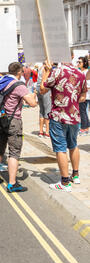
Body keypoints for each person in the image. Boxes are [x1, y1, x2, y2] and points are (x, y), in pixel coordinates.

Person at [0, 62, 38, 193]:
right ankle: (12, 183)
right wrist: (33, 96)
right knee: (14, 152)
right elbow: (32, 104)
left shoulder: (1, 81)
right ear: (19, 72)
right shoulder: (19, 85)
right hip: (13, 120)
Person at [40, 60, 87, 192]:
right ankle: (75, 175)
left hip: (59, 116)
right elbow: (83, 96)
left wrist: (46, 71)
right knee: (73, 145)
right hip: (74, 115)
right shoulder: (80, 73)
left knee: (60, 148)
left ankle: (65, 182)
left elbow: (42, 89)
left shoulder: (56, 71)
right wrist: (72, 99)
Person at [37, 62, 52, 138]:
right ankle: (47, 132)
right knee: (47, 111)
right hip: (45, 90)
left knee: (41, 111)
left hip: (38, 90)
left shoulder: (40, 68)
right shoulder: (47, 69)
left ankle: (40, 131)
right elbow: (46, 81)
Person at [77, 56, 90, 136]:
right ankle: (86, 127)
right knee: (83, 111)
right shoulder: (80, 72)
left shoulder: (86, 72)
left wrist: (83, 89)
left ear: (84, 63)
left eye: (80, 62)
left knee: (83, 112)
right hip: (82, 95)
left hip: (85, 95)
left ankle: (84, 129)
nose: (78, 64)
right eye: (77, 62)